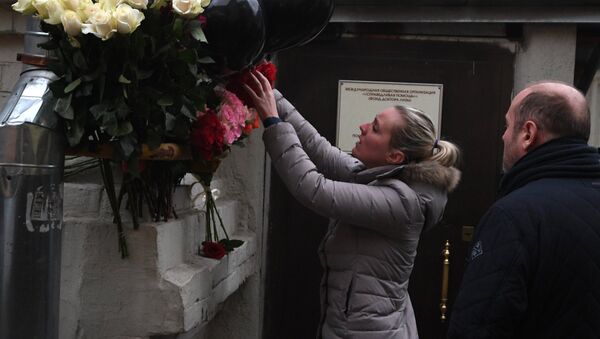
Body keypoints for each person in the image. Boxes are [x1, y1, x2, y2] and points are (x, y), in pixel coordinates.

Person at [245, 71, 461, 338]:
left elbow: (313, 188)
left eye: (375, 127)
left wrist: (272, 121)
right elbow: (318, 148)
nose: (363, 127)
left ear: (395, 155)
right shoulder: (379, 176)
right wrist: (268, 93)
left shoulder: (401, 202)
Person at [447, 81, 600, 338]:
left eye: (507, 125)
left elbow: (478, 326)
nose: (503, 135)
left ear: (528, 134)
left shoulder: (514, 215)